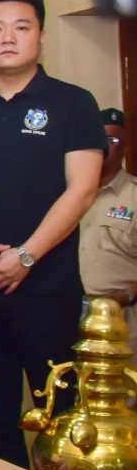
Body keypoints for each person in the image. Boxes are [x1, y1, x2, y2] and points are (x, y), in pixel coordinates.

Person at [0, 0, 104, 468]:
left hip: (47, 285)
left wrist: (27, 255)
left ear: (41, 36)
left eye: (21, 27)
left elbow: (82, 190)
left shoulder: (73, 103)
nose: (7, 37)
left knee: (60, 413)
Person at [79, 107, 137, 340]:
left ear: (125, 148)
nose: (104, 146)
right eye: (98, 138)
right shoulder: (69, 195)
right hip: (66, 311)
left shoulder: (134, 196)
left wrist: (126, 295)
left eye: (113, 140)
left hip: (121, 313)